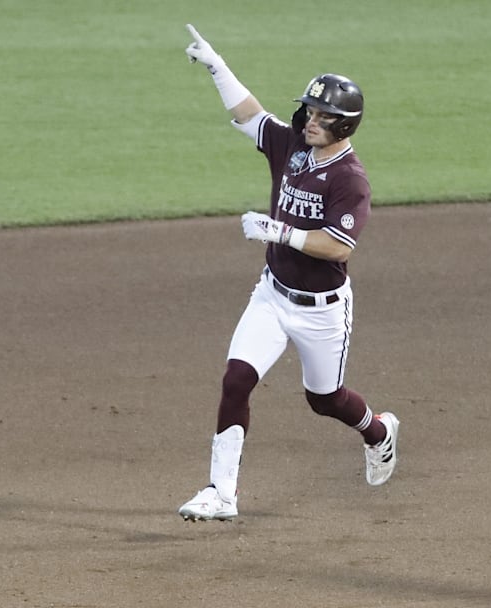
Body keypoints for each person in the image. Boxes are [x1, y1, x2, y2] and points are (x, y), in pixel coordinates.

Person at [177, 24, 399, 522]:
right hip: (271, 297)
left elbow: (338, 246)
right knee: (236, 381)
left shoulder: (350, 180)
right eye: (311, 110)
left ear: (345, 125)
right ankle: (221, 494)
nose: (311, 119)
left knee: (325, 400)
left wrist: (279, 232)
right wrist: (216, 65)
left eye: (324, 116)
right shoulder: (293, 148)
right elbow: (251, 115)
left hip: (322, 310)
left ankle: (379, 432)